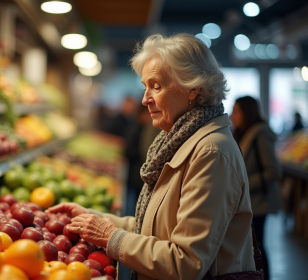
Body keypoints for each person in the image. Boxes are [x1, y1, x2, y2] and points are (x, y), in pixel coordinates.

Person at [47, 33, 256, 280]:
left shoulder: (211, 152)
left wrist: (111, 236)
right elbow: (156, 229)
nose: (145, 99)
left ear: (192, 88)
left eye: (156, 86)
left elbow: (187, 263)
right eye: (145, 87)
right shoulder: (179, 140)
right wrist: (94, 219)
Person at [230, 96, 282, 280]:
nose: (231, 115)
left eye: (236, 111)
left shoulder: (259, 133)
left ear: (247, 112)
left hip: (259, 201)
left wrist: (243, 185)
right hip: (250, 201)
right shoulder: (243, 133)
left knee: (257, 246)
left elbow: (273, 171)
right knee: (254, 245)